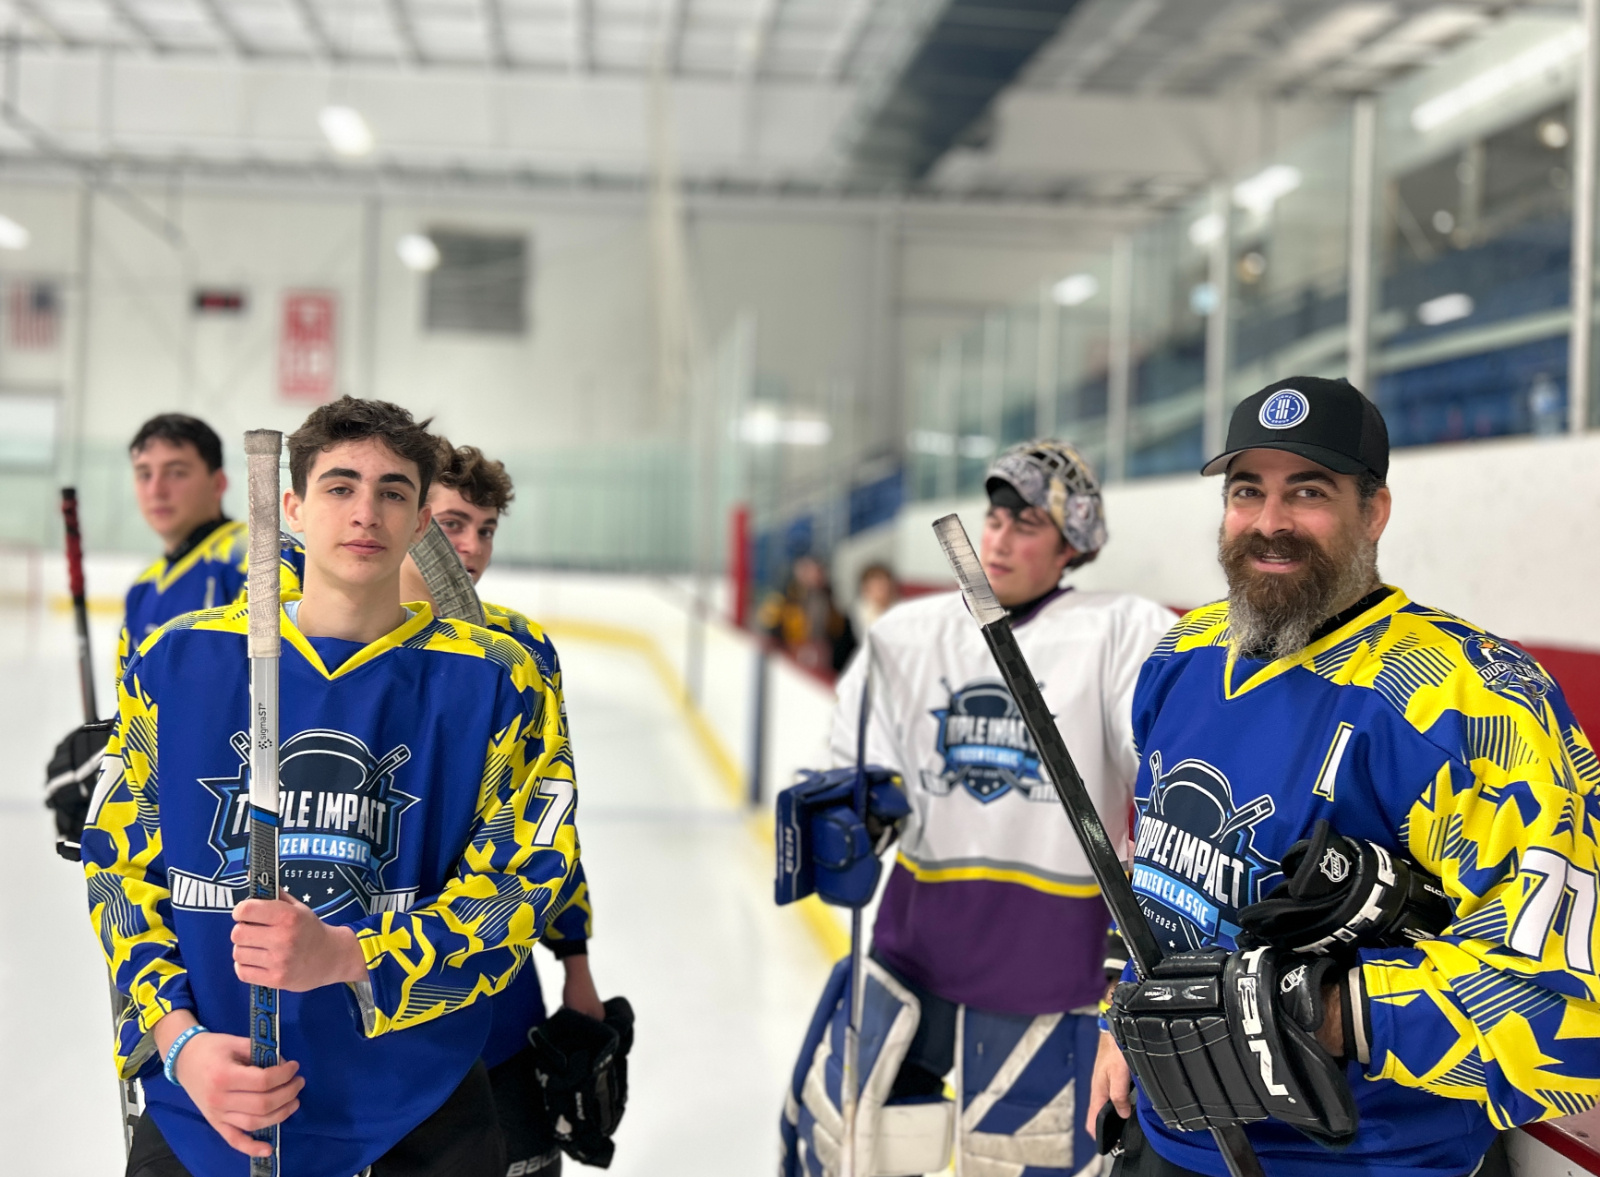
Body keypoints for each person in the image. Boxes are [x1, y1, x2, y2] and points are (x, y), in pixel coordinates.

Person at [1090, 377, 1600, 1177]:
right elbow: (1152, 867)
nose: (1270, 521)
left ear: (1375, 509)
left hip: (1372, 1159)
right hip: (1167, 1136)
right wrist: (1118, 1018)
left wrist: (1331, 1009)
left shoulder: (1472, 702)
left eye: (1309, 491)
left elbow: (1567, 1008)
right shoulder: (1181, 652)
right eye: (1247, 490)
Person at [81, 396, 580, 1177]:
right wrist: (178, 1042)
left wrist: (352, 954)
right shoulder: (176, 661)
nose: (365, 512)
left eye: (393, 492)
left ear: (420, 521)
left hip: (417, 1104)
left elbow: (522, 886)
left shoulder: (499, 681)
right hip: (205, 1103)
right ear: (292, 508)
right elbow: (119, 867)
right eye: (340, 486)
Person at [780, 440, 1177, 1175]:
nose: (998, 538)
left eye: (1027, 524)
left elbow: (1164, 791)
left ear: (1072, 546)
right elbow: (853, 767)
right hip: (913, 957)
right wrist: (853, 818)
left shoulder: (1124, 633)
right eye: (994, 518)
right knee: (846, 1149)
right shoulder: (905, 635)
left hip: (1052, 973)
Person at [396, 440, 620, 1177]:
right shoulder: (347, 641)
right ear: (410, 519)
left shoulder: (521, 649)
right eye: (453, 524)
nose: (471, 547)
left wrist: (576, 962)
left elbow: (550, 821)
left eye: (486, 529)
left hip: (496, 977)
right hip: (374, 972)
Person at [45, 414, 249, 860]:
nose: (157, 489)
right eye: (144, 474)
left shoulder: (247, 553)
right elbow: (136, 705)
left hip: (233, 803)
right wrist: (109, 762)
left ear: (218, 482)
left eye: (176, 472)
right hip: (171, 805)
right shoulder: (144, 588)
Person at [762, 554, 857, 675]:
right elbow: (770, 632)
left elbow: (842, 634)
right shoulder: (783, 600)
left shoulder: (831, 600)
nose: (816, 576)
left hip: (824, 661)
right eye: (810, 571)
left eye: (819, 571)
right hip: (790, 662)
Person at [852, 561, 899, 636]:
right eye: (878, 584)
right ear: (865, 587)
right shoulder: (859, 611)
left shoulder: (899, 607)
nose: (884, 586)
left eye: (886, 582)